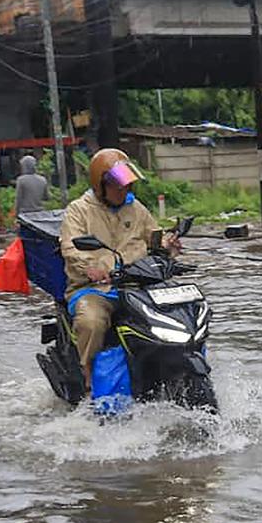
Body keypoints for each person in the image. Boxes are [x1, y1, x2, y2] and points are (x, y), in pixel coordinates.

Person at [59, 148, 181, 391]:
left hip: (138, 286)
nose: (123, 190)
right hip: (94, 288)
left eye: (126, 185)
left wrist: (168, 244)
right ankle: (88, 377)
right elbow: (70, 248)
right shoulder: (78, 210)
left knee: (177, 312)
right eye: (117, 186)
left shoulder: (135, 207)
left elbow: (153, 236)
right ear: (100, 184)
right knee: (91, 321)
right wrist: (91, 268)